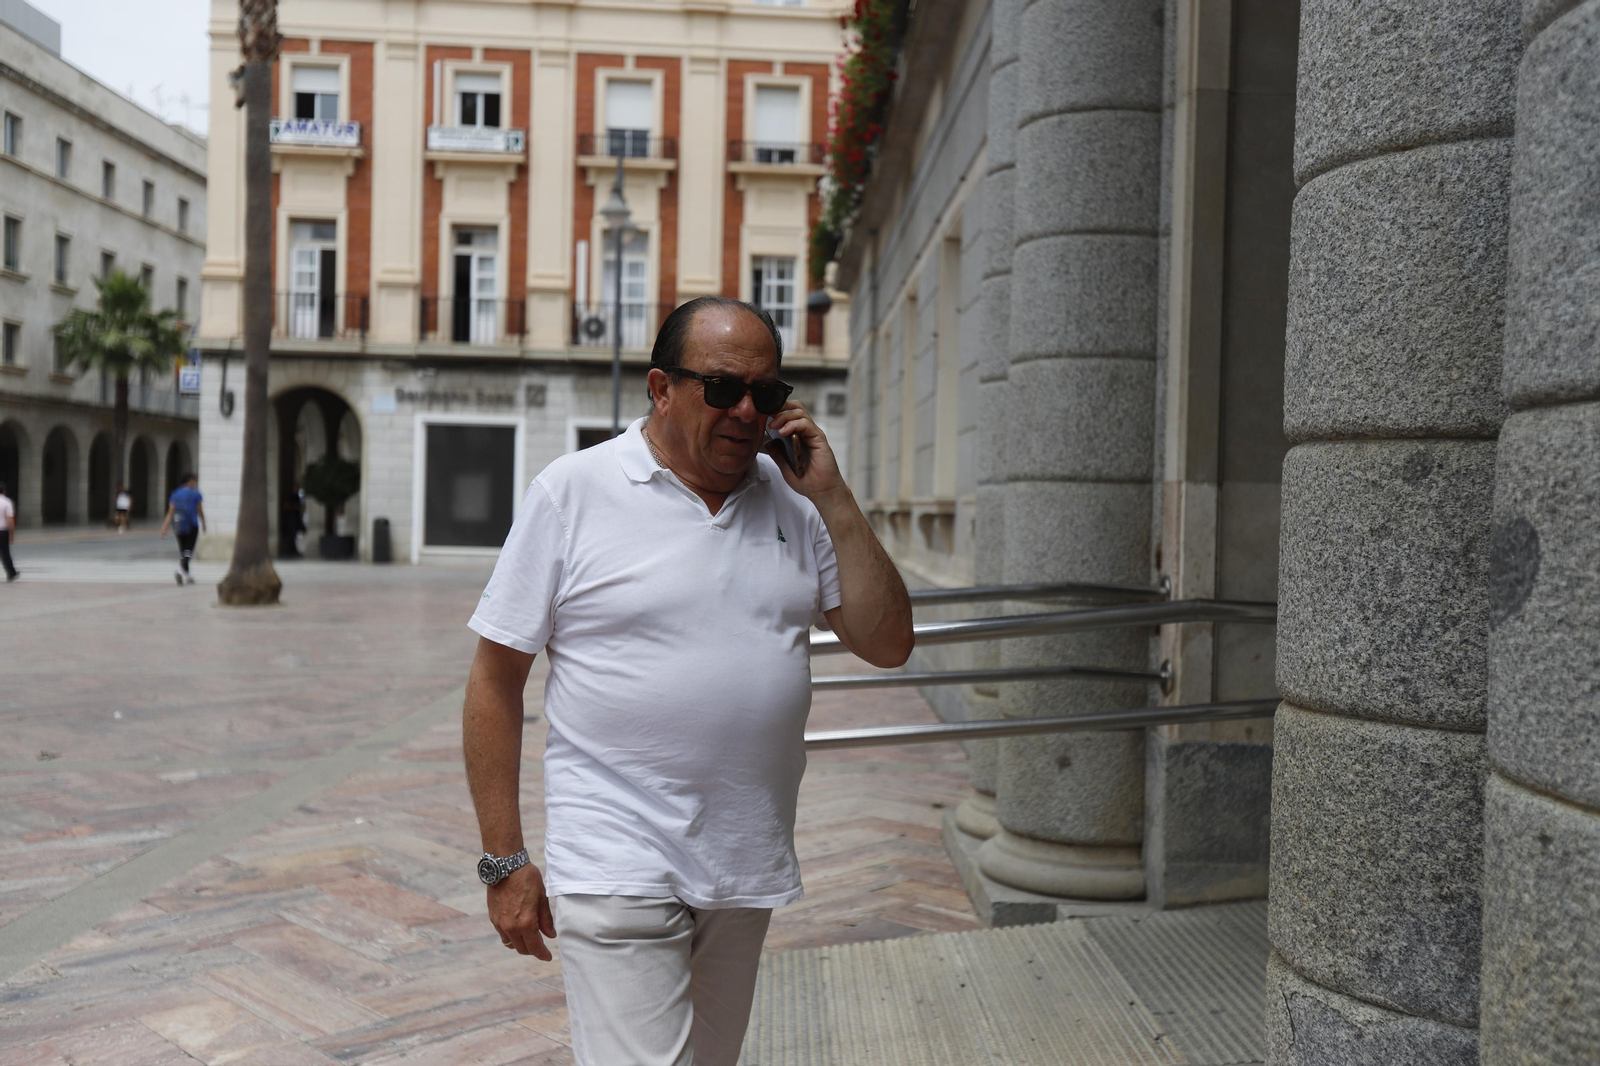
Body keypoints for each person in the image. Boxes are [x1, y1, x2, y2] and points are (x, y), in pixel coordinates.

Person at [463, 296, 913, 1066]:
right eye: (723, 388)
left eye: (766, 394)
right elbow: (495, 680)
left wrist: (834, 498)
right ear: (661, 388)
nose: (747, 412)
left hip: (744, 858)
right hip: (614, 854)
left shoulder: (797, 502)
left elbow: (889, 642)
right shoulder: (573, 492)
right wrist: (503, 861)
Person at [159, 473, 205, 585]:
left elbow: (171, 511)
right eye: (193, 481)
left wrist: (165, 527)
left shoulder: (175, 493)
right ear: (189, 481)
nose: (194, 483)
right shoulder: (195, 494)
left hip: (179, 524)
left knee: (183, 551)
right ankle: (180, 570)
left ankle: (187, 575)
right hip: (192, 524)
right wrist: (203, 523)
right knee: (188, 550)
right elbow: (199, 510)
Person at [0, 482, 16, 582]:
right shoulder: (7, 502)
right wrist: (11, 535)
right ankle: (11, 573)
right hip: (3, 532)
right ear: (4, 491)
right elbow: (10, 520)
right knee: (5, 553)